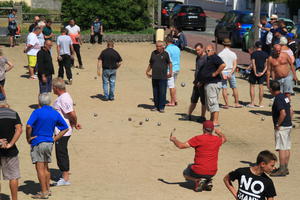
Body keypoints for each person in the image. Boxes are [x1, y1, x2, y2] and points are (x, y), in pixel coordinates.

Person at [26, 93, 68, 199]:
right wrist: (55, 138)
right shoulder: (54, 113)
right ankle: (48, 189)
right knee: (46, 167)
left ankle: (44, 192)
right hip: (49, 142)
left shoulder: (37, 112)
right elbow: (65, 127)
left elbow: (28, 125)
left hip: (38, 141)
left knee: (40, 168)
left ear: (39, 101)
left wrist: (29, 138)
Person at [170, 120, 226, 192]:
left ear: (203, 129)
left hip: (199, 170)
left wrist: (174, 140)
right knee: (206, 170)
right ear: (212, 129)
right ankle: (208, 181)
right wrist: (219, 133)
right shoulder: (217, 139)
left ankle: (198, 180)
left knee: (185, 172)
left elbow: (181, 146)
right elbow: (224, 139)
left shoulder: (198, 138)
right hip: (213, 171)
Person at [52, 78, 82, 186]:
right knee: (60, 152)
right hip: (61, 130)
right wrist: (74, 123)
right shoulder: (63, 97)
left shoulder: (63, 99)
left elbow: (72, 114)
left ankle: (65, 178)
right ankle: (62, 174)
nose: (52, 89)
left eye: (53, 87)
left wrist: (74, 123)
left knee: (61, 153)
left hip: (63, 132)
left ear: (56, 88)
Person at [0, 94, 22, 200]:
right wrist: (11, 143)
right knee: (13, 176)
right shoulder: (14, 113)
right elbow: (19, 129)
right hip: (11, 151)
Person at [269, 80, 292, 176]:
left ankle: (282, 169)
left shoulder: (278, 99)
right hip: (288, 125)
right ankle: (285, 167)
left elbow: (283, 113)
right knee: (286, 147)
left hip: (282, 126)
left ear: (271, 89)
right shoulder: (285, 97)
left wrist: (278, 124)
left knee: (282, 148)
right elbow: (291, 111)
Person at [200, 45, 225, 126]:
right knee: (210, 103)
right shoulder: (209, 58)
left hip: (213, 83)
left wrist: (216, 73)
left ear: (213, 50)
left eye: (208, 51)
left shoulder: (215, 57)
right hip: (209, 83)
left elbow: (223, 65)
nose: (207, 52)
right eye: (206, 51)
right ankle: (212, 119)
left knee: (213, 102)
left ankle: (215, 121)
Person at [146, 41, 172, 113]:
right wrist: (147, 71)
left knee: (162, 92)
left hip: (163, 76)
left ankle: (161, 107)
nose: (158, 48)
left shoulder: (166, 54)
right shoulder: (153, 53)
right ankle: (155, 106)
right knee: (155, 92)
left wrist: (170, 72)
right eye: (157, 46)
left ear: (163, 47)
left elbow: (169, 63)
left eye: (159, 46)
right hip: (154, 76)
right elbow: (151, 63)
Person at [218, 38, 242, 109]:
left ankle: (226, 104)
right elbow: (235, 65)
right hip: (231, 72)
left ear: (223, 44)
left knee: (224, 88)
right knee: (234, 88)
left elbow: (220, 65)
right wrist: (231, 73)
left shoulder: (220, 54)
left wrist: (222, 73)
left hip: (223, 72)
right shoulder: (233, 54)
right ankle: (236, 103)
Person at [187, 43, 206, 122]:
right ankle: (189, 115)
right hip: (196, 82)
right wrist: (195, 80)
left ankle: (202, 116)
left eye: (198, 50)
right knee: (193, 99)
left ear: (202, 49)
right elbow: (197, 70)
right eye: (196, 50)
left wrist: (201, 82)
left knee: (203, 101)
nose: (197, 52)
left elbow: (205, 72)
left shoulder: (206, 59)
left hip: (203, 83)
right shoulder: (198, 57)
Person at [247, 41, 269, 108]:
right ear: (261, 46)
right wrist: (263, 72)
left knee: (252, 86)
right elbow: (266, 65)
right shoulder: (265, 54)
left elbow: (253, 64)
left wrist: (255, 72)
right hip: (262, 72)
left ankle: (252, 103)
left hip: (254, 72)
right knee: (261, 87)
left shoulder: (254, 54)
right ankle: (260, 103)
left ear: (255, 47)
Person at [165, 35, 180, 106]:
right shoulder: (177, 48)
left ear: (167, 41)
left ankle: (172, 102)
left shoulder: (167, 49)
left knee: (171, 86)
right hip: (177, 68)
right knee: (173, 85)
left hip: (170, 69)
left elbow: (167, 60)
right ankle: (175, 99)